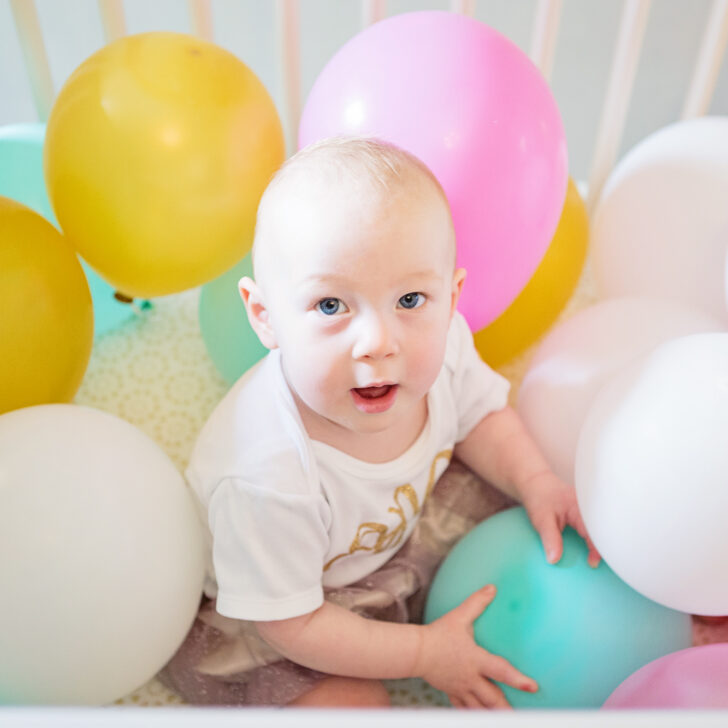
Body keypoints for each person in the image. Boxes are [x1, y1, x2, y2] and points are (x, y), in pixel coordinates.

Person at [161, 137, 599, 709]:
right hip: (283, 605)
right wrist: (423, 654)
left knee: (545, 523)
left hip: (397, 537)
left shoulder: (444, 349)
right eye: (330, 306)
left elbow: (481, 416)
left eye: (411, 299)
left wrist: (537, 482)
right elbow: (291, 625)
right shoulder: (266, 480)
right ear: (265, 317)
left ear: (451, 300)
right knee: (353, 709)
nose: (379, 343)